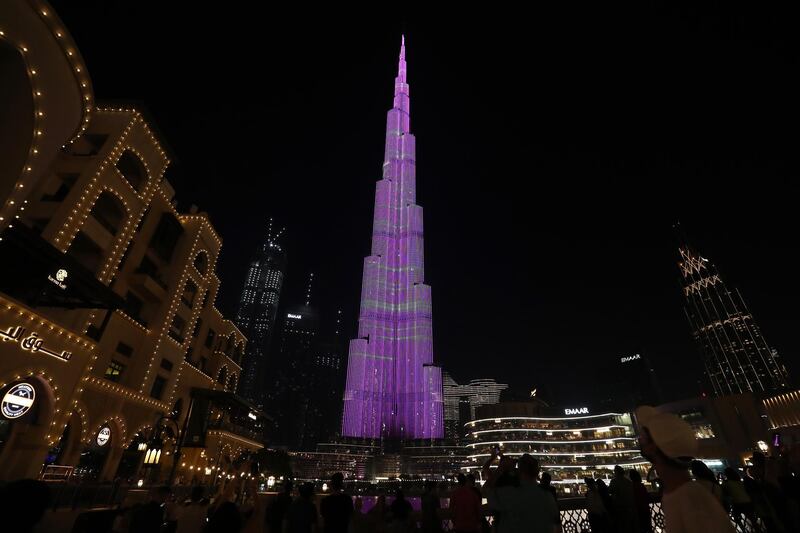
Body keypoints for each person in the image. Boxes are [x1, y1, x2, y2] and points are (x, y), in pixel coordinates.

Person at [636, 405, 734, 533]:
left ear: (653, 446)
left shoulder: (691, 499)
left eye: (644, 437)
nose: (639, 439)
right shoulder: (680, 493)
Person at [482, 451, 559, 533]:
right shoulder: (548, 495)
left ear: (519, 471)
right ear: (537, 472)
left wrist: (501, 468)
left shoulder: (509, 494)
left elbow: (486, 490)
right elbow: (556, 523)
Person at [609, 465, 637, 533]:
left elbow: (610, 491)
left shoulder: (614, 481)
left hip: (618, 506)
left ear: (616, 472)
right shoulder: (628, 481)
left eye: (614, 471)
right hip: (629, 507)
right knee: (629, 526)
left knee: (621, 526)